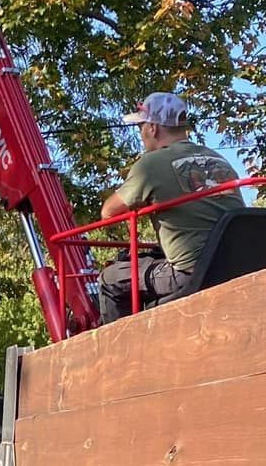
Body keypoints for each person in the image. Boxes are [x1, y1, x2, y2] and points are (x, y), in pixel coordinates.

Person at [97, 94, 239, 322]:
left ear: (152, 128)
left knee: (112, 278)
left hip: (190, 273)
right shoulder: (218, 159)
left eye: (140, 127)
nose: (141, 134)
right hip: (238, 262)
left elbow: (109, 213)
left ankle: (119, 353)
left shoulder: (150, 164)